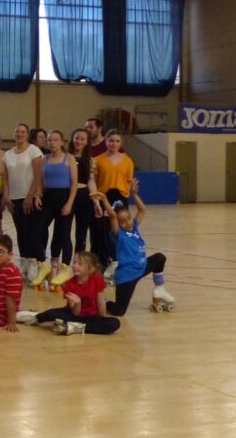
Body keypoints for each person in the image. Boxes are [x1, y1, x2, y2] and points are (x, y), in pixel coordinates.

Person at [92, 182, 176, 315]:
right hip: (127, 277)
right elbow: (112, 216)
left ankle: (159, 289)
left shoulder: (134, 227)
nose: (127, 223)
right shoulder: (118, 234)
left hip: (142, 267)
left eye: (128, 218)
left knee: (159, 258)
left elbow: (142, 210)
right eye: (122, 221)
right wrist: (105, 200)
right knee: (119, 311)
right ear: (118, 224)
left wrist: (134, 195)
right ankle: (103, 300)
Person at [17, 252, 121, 335]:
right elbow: (75, 313)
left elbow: (100, 302)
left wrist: (101, 318)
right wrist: (78, 303)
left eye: (80, 264)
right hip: (73, 315)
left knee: (114, 323)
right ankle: (36, 317)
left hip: (91, 317)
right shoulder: (70, 284)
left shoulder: (97, 279)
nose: (75, 266)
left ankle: (74, 328)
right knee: (54, 313)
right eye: (74, 262)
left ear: (91, 269)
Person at [32, 130, 78, 287]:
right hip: (48, 199)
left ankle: (65, 268)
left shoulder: (69, 158)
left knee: (63, 235)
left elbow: (74, 184)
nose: (52, 143)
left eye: (55, 140)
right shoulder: (44, 159)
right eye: (50, 140)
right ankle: (43, 264)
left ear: (62, 142)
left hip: (64, 198)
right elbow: (39, 181)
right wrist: (37, 195)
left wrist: (69, 203)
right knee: (36, 232)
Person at [1, 123, 44, 285]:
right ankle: (24, 260)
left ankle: (34, 262)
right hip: (14, 198)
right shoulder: (8, 155)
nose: (19, 134)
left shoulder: (34, 150)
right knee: (20, 231)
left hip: (29, 197)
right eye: (17, 131)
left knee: (31, 231)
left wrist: (30, 196)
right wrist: (6, 196)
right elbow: (5, 178)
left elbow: (38, 176)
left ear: (27, 134)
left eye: (23, 132)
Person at [92, 129, 135, 270]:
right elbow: (94, 181)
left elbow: (128, 180)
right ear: (106, 142)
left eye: (117, 141)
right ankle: (103, 260)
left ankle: (117, 260)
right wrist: (97, 199)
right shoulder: (98, 160)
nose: (114, 144)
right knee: (103, 229)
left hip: (120, 197)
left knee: (119, 228)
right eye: (111, 141)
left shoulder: (127, 161)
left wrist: (129, 194)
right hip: (104, 196)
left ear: (121, 143)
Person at [69, 128, 98, 256]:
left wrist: (96, 200)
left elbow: (91, 181)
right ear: (72, 139)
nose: (79, 141)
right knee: (64, 231)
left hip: (84, 197)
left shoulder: (90, 160)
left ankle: (79, 260)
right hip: (68, 196)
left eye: (82, 139)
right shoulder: (65, 157)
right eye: (77, 138)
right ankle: (64, 261)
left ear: (87, 142)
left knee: (81, 233)